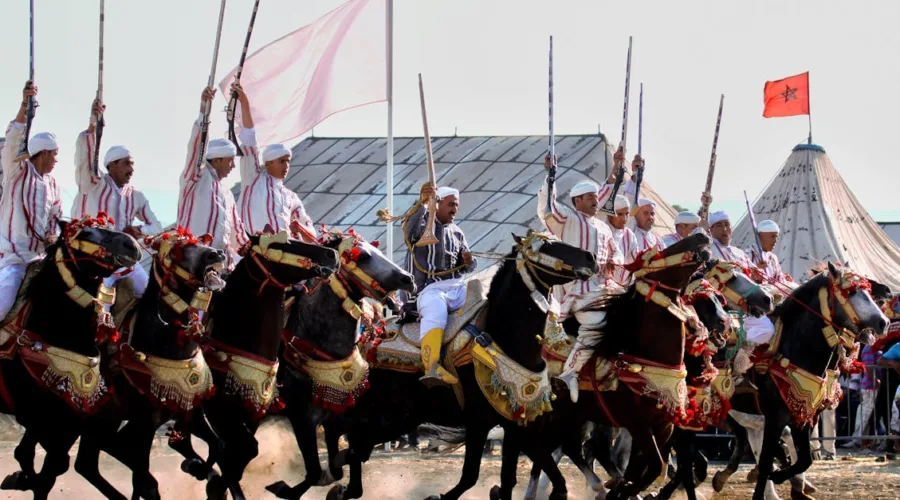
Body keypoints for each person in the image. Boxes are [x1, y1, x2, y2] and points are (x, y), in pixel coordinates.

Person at [538, 154, 623, 402]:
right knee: (596, 325)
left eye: (596, 197)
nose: (596, 201)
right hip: (576, 290)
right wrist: (550, 175)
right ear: (577, 201)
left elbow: (616, 252)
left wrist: (612, 262)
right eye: (590, 198)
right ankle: (570, 372)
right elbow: (547, 207)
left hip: (605, 289)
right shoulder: (568, 218)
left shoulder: (604, 226)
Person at [72, 98, 161, 299]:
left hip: (126, 259)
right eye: (126, 164)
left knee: (149, 296)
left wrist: (140, 230)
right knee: (100, 301)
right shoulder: (94, 184)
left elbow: (156, 225)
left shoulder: (136, 195)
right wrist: (92, 125)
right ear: (111, 165)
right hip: (95, 257)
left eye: (132, 164)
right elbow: (83, 162)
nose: (131, 169)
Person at [0, 81, 63, 321]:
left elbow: (56, 217)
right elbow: (13, 140)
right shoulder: (17, 171)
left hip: (40, 259)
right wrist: (24, 106)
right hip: (12, 258)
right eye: (55, 154)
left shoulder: (54, 184)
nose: (57, 160)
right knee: (2, 305)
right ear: (44, 152)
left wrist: (52, 235)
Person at [403, 183, 476, 387]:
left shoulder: (457, 232)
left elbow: (467, 267)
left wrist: (469, 261)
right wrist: (422, 202)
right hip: (430, 289)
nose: (454, 209)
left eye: (457, 205)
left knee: (482, 302)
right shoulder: (423, 224)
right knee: (435, 310)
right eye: (451, 204)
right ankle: (432, 366)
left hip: (457, 287)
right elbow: (409, 230)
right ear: (438, 204)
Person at [233, 84, 316, 242]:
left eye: (288, 161)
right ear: (268, 163)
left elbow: (311, 232)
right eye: (281, 161)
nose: (286, 166)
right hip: (250, 250)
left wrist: (300, 228)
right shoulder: (254, 180)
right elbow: (249, 141)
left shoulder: (290, 197)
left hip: (282, 254)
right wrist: (244, 104)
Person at [177, 87, 249, 269]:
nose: (233, 166)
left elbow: (237, 232)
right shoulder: (196, 177)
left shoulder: (227, 192)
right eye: (230, 161)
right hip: (192, 260)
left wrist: (256, 249)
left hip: (221, 263)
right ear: (216, 160)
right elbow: (195, 151)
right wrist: (204, 114)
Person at [606, 195, 639, 288]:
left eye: (627, 214)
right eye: (620, 214)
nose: (624, 219)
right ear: (610, 214)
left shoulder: (630, 236)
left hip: (620, 290)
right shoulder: (600, 230)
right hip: (600, 287)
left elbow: (635, 262)